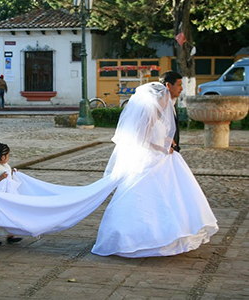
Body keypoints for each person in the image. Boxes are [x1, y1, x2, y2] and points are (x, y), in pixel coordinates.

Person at [91, 82, 218, 257]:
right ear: (157, 98)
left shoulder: (154, 115)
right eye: (166, 99)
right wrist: (164, 148)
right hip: (150, 161)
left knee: (170, 197)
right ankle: (139, 238)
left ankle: (165, 236)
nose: (167, 103)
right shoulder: (150, 113)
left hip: (160, 160)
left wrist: (167, 140)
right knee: (148, 198)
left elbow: (153, 134)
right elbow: (142, 140)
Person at [159, 71, 183, 152]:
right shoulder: (159, 107)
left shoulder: (172, 102)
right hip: (162, 152)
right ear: (168, 85)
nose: (181, 88)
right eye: (179, 85)